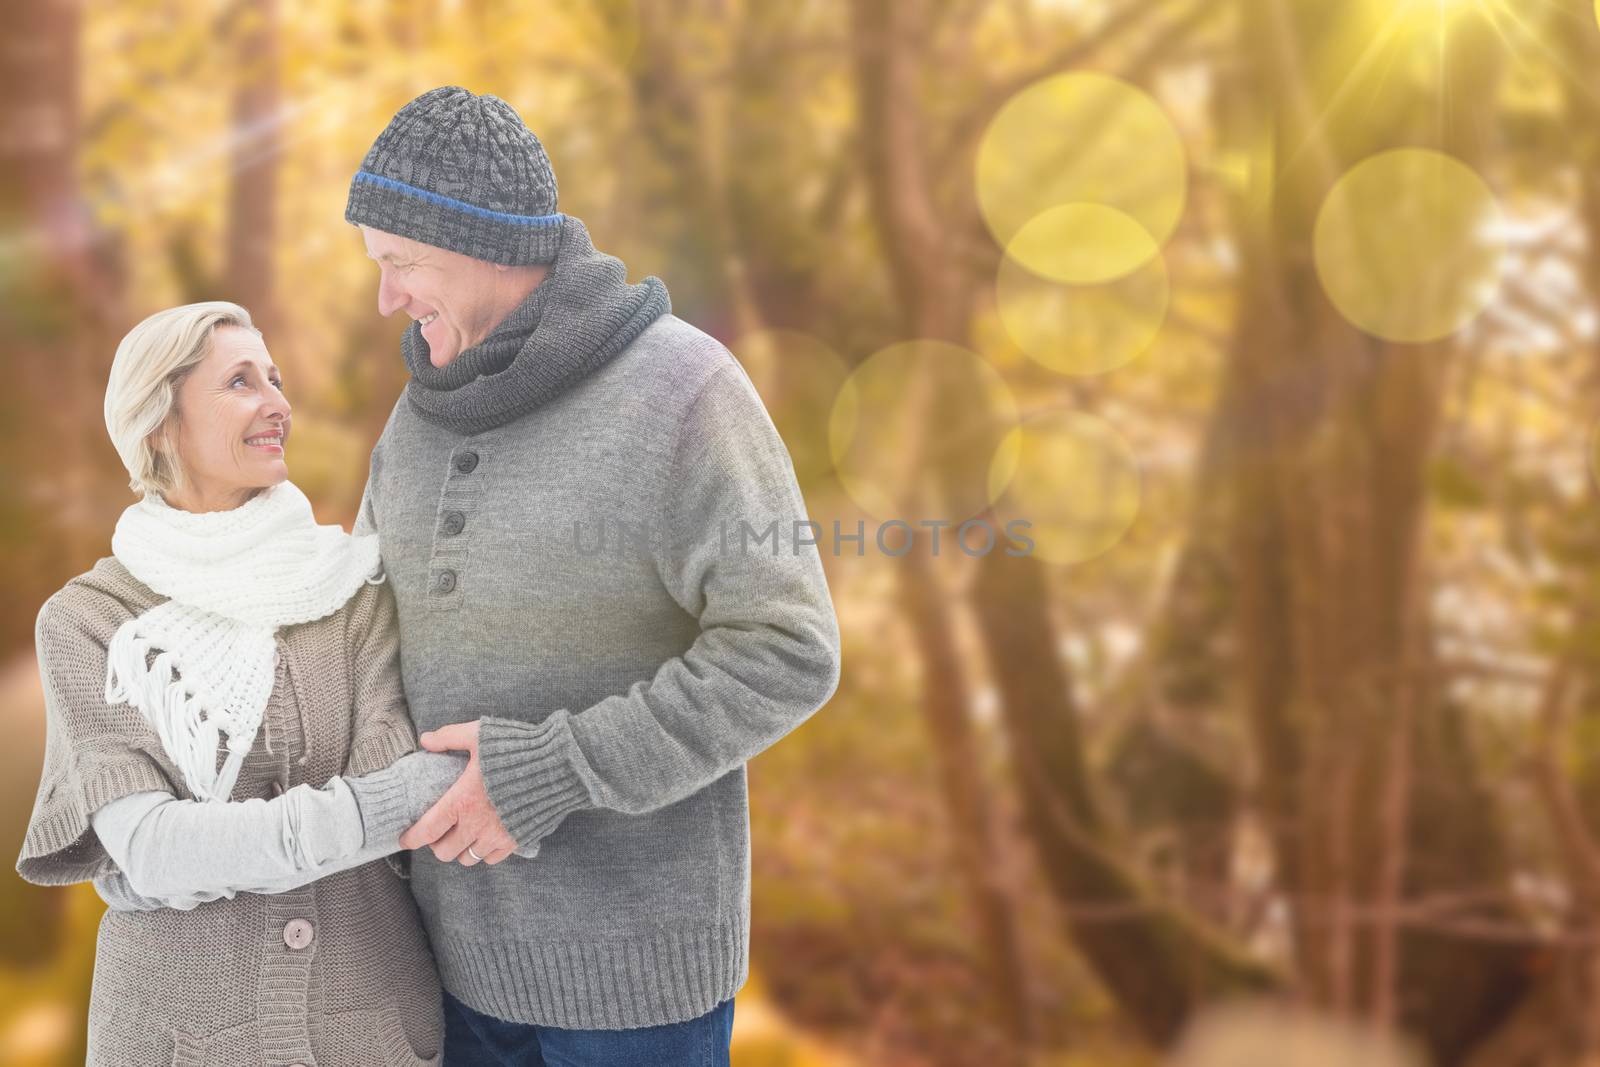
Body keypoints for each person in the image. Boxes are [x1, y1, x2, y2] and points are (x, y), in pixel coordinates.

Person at [344, 86, 843, 1064]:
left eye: (400, 264)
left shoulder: (683, 390)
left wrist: (548, 770)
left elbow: (787, 650)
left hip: (631, 991)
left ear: (480, 243)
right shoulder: (416, 421)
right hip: (442, 970)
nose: (385, 300)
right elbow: (364, 635)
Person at [15, 301, 493, 1066]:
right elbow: (152, 846)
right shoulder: (91, 620)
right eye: (241, 382)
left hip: (368, 1027)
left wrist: (193, 860)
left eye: (275, 377)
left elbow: (422, 785)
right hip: (176, 1035)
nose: (278, 402)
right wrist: (163, 861)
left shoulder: (350, 585)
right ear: (159, 424)